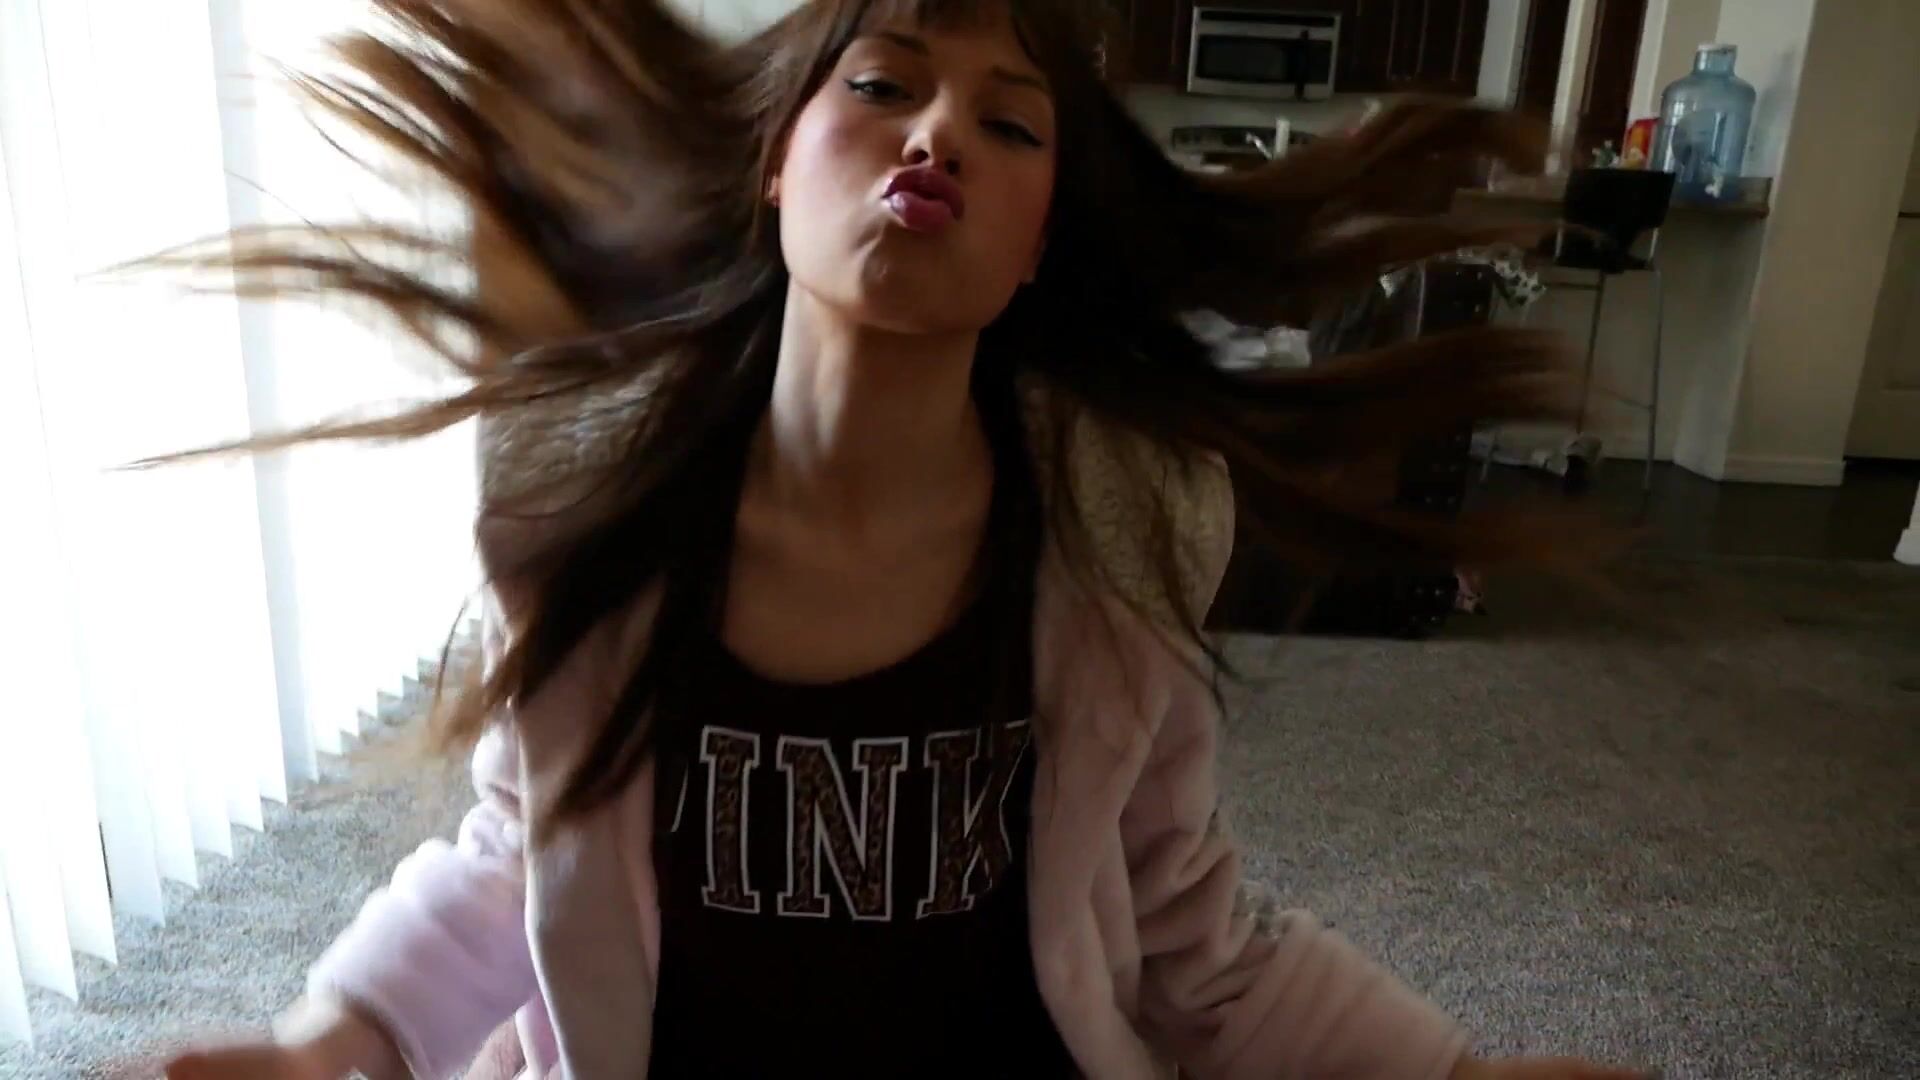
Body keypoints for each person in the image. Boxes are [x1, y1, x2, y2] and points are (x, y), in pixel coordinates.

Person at [159, 1, 1644, 1077]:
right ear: (773, 162)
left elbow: (1189, 936)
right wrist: (329, 1041)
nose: (937, 134)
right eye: (881, 84)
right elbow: (515, 860)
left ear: (1039, 239)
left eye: (1009, 124)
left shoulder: (1117, 540)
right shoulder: (589, 514)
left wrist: (1451, 1074)